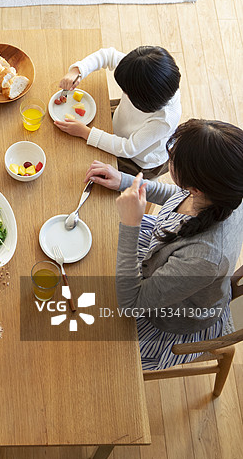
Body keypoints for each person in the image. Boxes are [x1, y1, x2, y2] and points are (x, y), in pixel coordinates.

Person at [85, 119, 243, 370]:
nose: (169, 161)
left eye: (173, 161)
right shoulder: (226, 191)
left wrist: (131, 225)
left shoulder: (204, 257)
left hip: (171, 318)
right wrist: (124, 180)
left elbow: (130, 305)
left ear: (197, 189)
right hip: (164, 257)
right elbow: (178, 196)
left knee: (89, 342)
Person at [56, 46, 181, 179]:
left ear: (143, 101)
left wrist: (85, 133)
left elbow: (128, 148)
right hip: (121, 124)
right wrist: (77, 71)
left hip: (138, 160)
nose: (124, 93)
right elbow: (108, 56)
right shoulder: (140, 71)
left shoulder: (164, 120)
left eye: (127, 92)